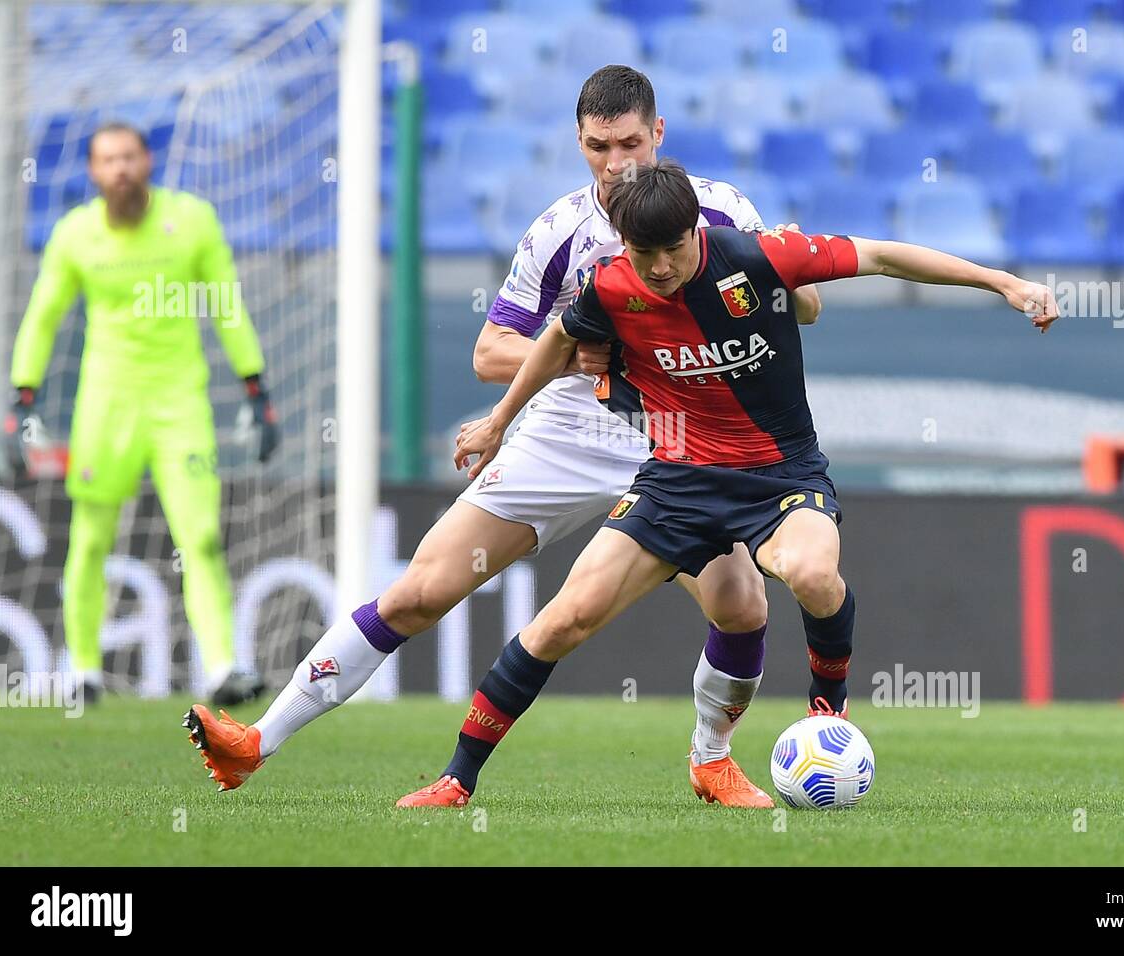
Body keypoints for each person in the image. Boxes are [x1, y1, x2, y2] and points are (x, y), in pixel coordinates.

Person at [184, 65, 821, 808]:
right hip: (567, 430)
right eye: (596, 147)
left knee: (741, 606)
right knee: (421, 591)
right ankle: (256, 742)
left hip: (679, 435)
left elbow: (789, 301)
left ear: (659, 133)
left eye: (628, 144)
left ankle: (711, 759)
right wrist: (583, 360)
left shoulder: (720, 211)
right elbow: (492, 353)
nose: (615, 165)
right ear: (579, 142)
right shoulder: (559, 232)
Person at [395, 159, 1058, 807]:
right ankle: (457, 780)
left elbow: (883, 256)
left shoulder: (759, 257)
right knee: (561, 621)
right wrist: (500, 421)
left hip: (781, 475)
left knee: (810, 574)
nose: (659, 267)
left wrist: (1003, 282)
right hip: (676, 481)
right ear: (624, 242)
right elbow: (557, 336)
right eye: (644, 250)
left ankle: (828, 706)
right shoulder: (610, 284)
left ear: (697, 231)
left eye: (673, 248)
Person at [8, 122, 278, 706]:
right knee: (89, 541)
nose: (120, 169)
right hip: (106, 405)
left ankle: (222, 667)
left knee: (201, 536)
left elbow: (227, 307)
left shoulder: (193, 222)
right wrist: (22, 396)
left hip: (180, 403)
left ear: (147, 160)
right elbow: (43, 316)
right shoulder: (76, 235)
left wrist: (256, 388)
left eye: (129, 157)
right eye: (108, 160)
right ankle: (82, 671)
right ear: (92, 172)